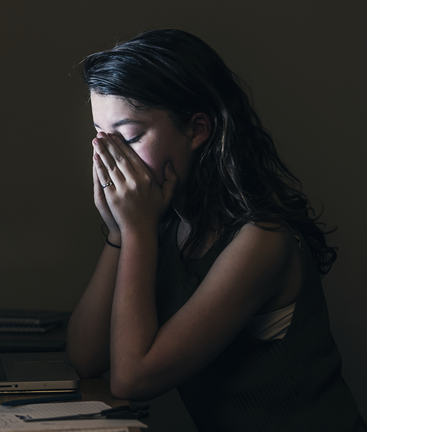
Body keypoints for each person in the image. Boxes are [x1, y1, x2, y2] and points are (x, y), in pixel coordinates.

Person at [66, 29, 364, 431]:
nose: (112, 159)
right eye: (102, 139)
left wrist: (136, 231)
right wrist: (120, 234)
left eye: (130, 137)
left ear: (197, 129)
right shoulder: (162, 224)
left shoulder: (262, 240)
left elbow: (132, 379)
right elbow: (86, 359)